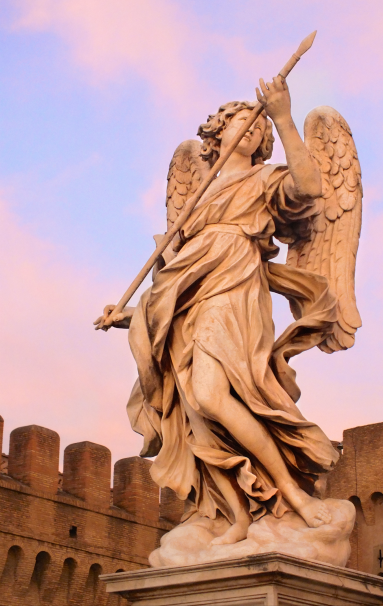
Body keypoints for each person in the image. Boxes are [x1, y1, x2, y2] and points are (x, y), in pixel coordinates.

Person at [95, 76, 339, 545]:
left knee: (210, 394)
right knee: (197, 413)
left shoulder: (263, 179)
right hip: (189, 303)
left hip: (236, 289)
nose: (249, 128)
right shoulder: (198, 196)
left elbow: (309, 187)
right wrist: (133, 315)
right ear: (216, 134)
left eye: (257, 125)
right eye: (237, 121)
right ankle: (238, 513)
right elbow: (174, 279)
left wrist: (285, 118)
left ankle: (294, 494)